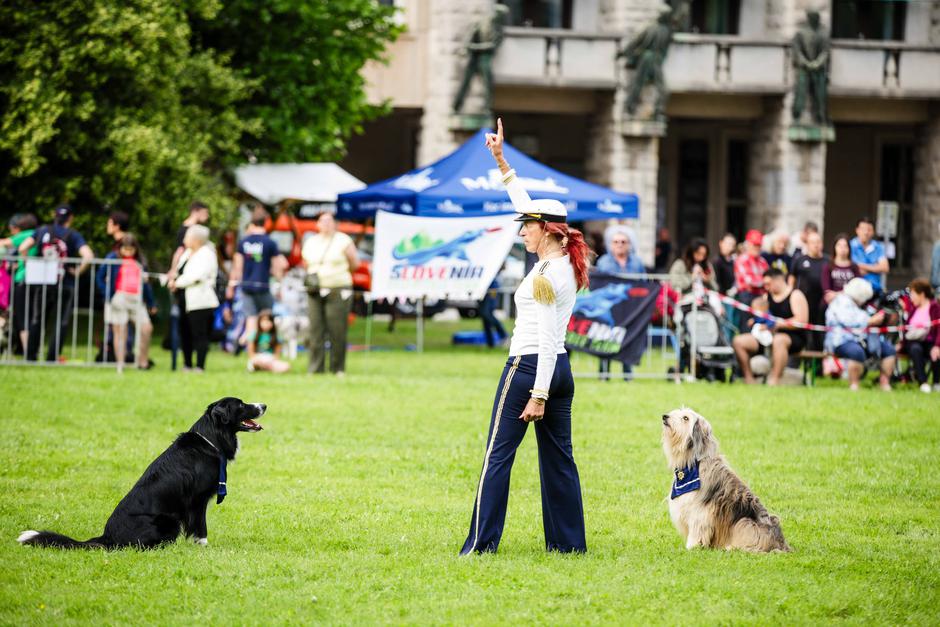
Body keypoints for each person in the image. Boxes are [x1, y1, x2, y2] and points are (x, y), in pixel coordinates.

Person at [460, 118, 588, 555]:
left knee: (497, 457)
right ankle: (568, 546)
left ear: (548, 231)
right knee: (559, 462)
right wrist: (500, 160)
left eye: (527, 227)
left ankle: (480, 545)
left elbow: (548, 336)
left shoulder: (546, 275)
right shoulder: (563, 262)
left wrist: (537, 393)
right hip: (559, 369)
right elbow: (529, 203)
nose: (521, 232)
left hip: (531, 368)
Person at [19, 205, 94, 362]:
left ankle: (31, 356)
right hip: (65, 282)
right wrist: (78, 272)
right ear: (71, 218)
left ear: (55, 216)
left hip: (43, 281)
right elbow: (88, 256)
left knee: (38, 319)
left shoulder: (42, 230)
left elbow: (22, 247)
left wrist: (28, 264)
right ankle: (52, 358)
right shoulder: (73, 235)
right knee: (62, 321)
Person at [302, 210, 358, 375]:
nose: (326, 224)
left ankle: (337, 368)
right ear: (317, 224)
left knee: (337, 330)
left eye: (329, 221)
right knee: (315, 330)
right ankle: (316, 368)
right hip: (315, 289)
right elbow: (305, 263)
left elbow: (354, 263)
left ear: (334, 223)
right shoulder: (311, 241)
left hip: (338, 289)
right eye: (322, 221)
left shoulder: (343, 240)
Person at [732, 268, 808, 385]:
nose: (766, 287)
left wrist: (776, 325)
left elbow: (801, 320)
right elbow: (763, 316)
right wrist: (756, 321)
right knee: (739, 341)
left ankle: (774, 380)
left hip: (793, 337)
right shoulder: (767, 297)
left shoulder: (795, 295)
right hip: (767, 336)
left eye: (768, 284)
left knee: (779, 340)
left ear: (778, 280)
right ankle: (749, 379)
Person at [226, 206, 287, 352]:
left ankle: (250, 351)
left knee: (251, 320)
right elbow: (278, 266)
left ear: (252, 223)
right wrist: (279, 284)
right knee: (266, 318)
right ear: (265, 222)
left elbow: (237, 267)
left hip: (247, 287)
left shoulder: (244, 242)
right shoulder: (270, 243)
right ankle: (265, 349)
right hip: (264, 286)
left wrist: (232, 285)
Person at [96, 233, 155, 373]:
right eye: (125, 249)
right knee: (120, 331)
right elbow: (100, 277)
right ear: (120, 248)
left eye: (131, 249)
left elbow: (146, 285)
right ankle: (120, 364)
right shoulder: (112, 258)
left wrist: (151, 302)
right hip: (119, 297)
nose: (128, 252)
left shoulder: (139, 261)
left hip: (136, 298)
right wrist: (109, 295)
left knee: (146, 328)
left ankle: (143, 361)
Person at [824, 278, 894, 392]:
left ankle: (884, 383)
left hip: (861, 339)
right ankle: (854, 385)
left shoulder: (857, 304)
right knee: (856, 352)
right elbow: (848, 321)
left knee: (888, 349)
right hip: (840, 341)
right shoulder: (841, 302)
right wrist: (870, 321)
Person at [169, 225, 219, 372]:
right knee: (185, 332)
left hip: (201, 301)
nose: (184, 239)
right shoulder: (187, 253)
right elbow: (178, 271)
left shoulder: (207, 254)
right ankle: (187, 364)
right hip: (184, 298)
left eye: (187, 236)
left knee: (199, 333)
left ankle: (200, 366)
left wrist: (177, 283)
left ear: (196, 239)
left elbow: (197, 275)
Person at [0, 213, 37, 352]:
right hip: (35, 280)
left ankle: (28, 351)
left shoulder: (26, 234)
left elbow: (4, 243)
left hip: (22, 278)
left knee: (22, 318)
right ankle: (27, 349)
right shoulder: (37, 233)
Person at [898, 279, 940, 393]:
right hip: (913, 341)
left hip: (930, 341)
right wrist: (901, 344)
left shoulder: (934, 306)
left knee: (935, 352)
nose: (911, 297)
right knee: (916, 349)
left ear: (921, 294)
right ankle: (923, 382)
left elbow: (938, 327)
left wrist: (937, 345)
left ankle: (936, 382)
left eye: (912, 294)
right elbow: (906, 328)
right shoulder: (913, 307)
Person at [789, 231, 827, 350]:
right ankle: (798, 365)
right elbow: (791, 280)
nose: (816, 245)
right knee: (803, 334)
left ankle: (818, 367)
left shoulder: (827, 261)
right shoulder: (799, 260)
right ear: (807, 244)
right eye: (812, 242)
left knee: (819, 336)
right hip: (803, 305)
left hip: (821, 305)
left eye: (818, 242)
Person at [850, 217, 889, 295]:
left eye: (869, 229)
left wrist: (860, 265)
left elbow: (885, 268)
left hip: (875, 289)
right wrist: (875, 267)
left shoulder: (878, 247)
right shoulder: (850, 246)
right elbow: (849, 268)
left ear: (873, 232)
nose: (866, 232)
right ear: (857, 230)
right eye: (863, 229)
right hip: (855, 291)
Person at [821, 233, 861, 305]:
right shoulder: (828, 266)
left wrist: (837, 294)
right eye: (839, 245)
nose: (842, 249)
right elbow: (827, 292)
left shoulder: (854, 267)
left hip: (850, 304)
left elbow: (858, 289)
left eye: (845, 246)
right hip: (832, 304)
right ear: (834, 247)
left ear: (849, 248)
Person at [479, 276, 507, 348]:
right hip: (482, 289)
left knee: (486, 313)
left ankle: (503, 335)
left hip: (492, 289)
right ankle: (490, 343)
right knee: (485, 317)